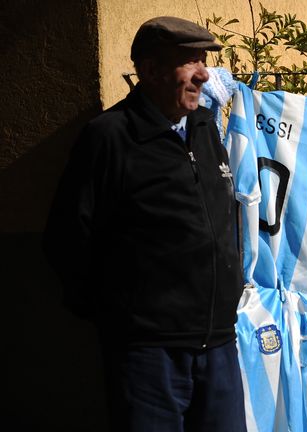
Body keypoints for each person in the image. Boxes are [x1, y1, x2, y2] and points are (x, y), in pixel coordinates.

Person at [43, 16, 246, 432]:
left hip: (219, 343)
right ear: (150, 71)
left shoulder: (205, 129)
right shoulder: (111, 137)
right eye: (190, 61)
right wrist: (120, 317)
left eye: (203, 61)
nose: (204, 73)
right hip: (150, 355)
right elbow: (67, 237)